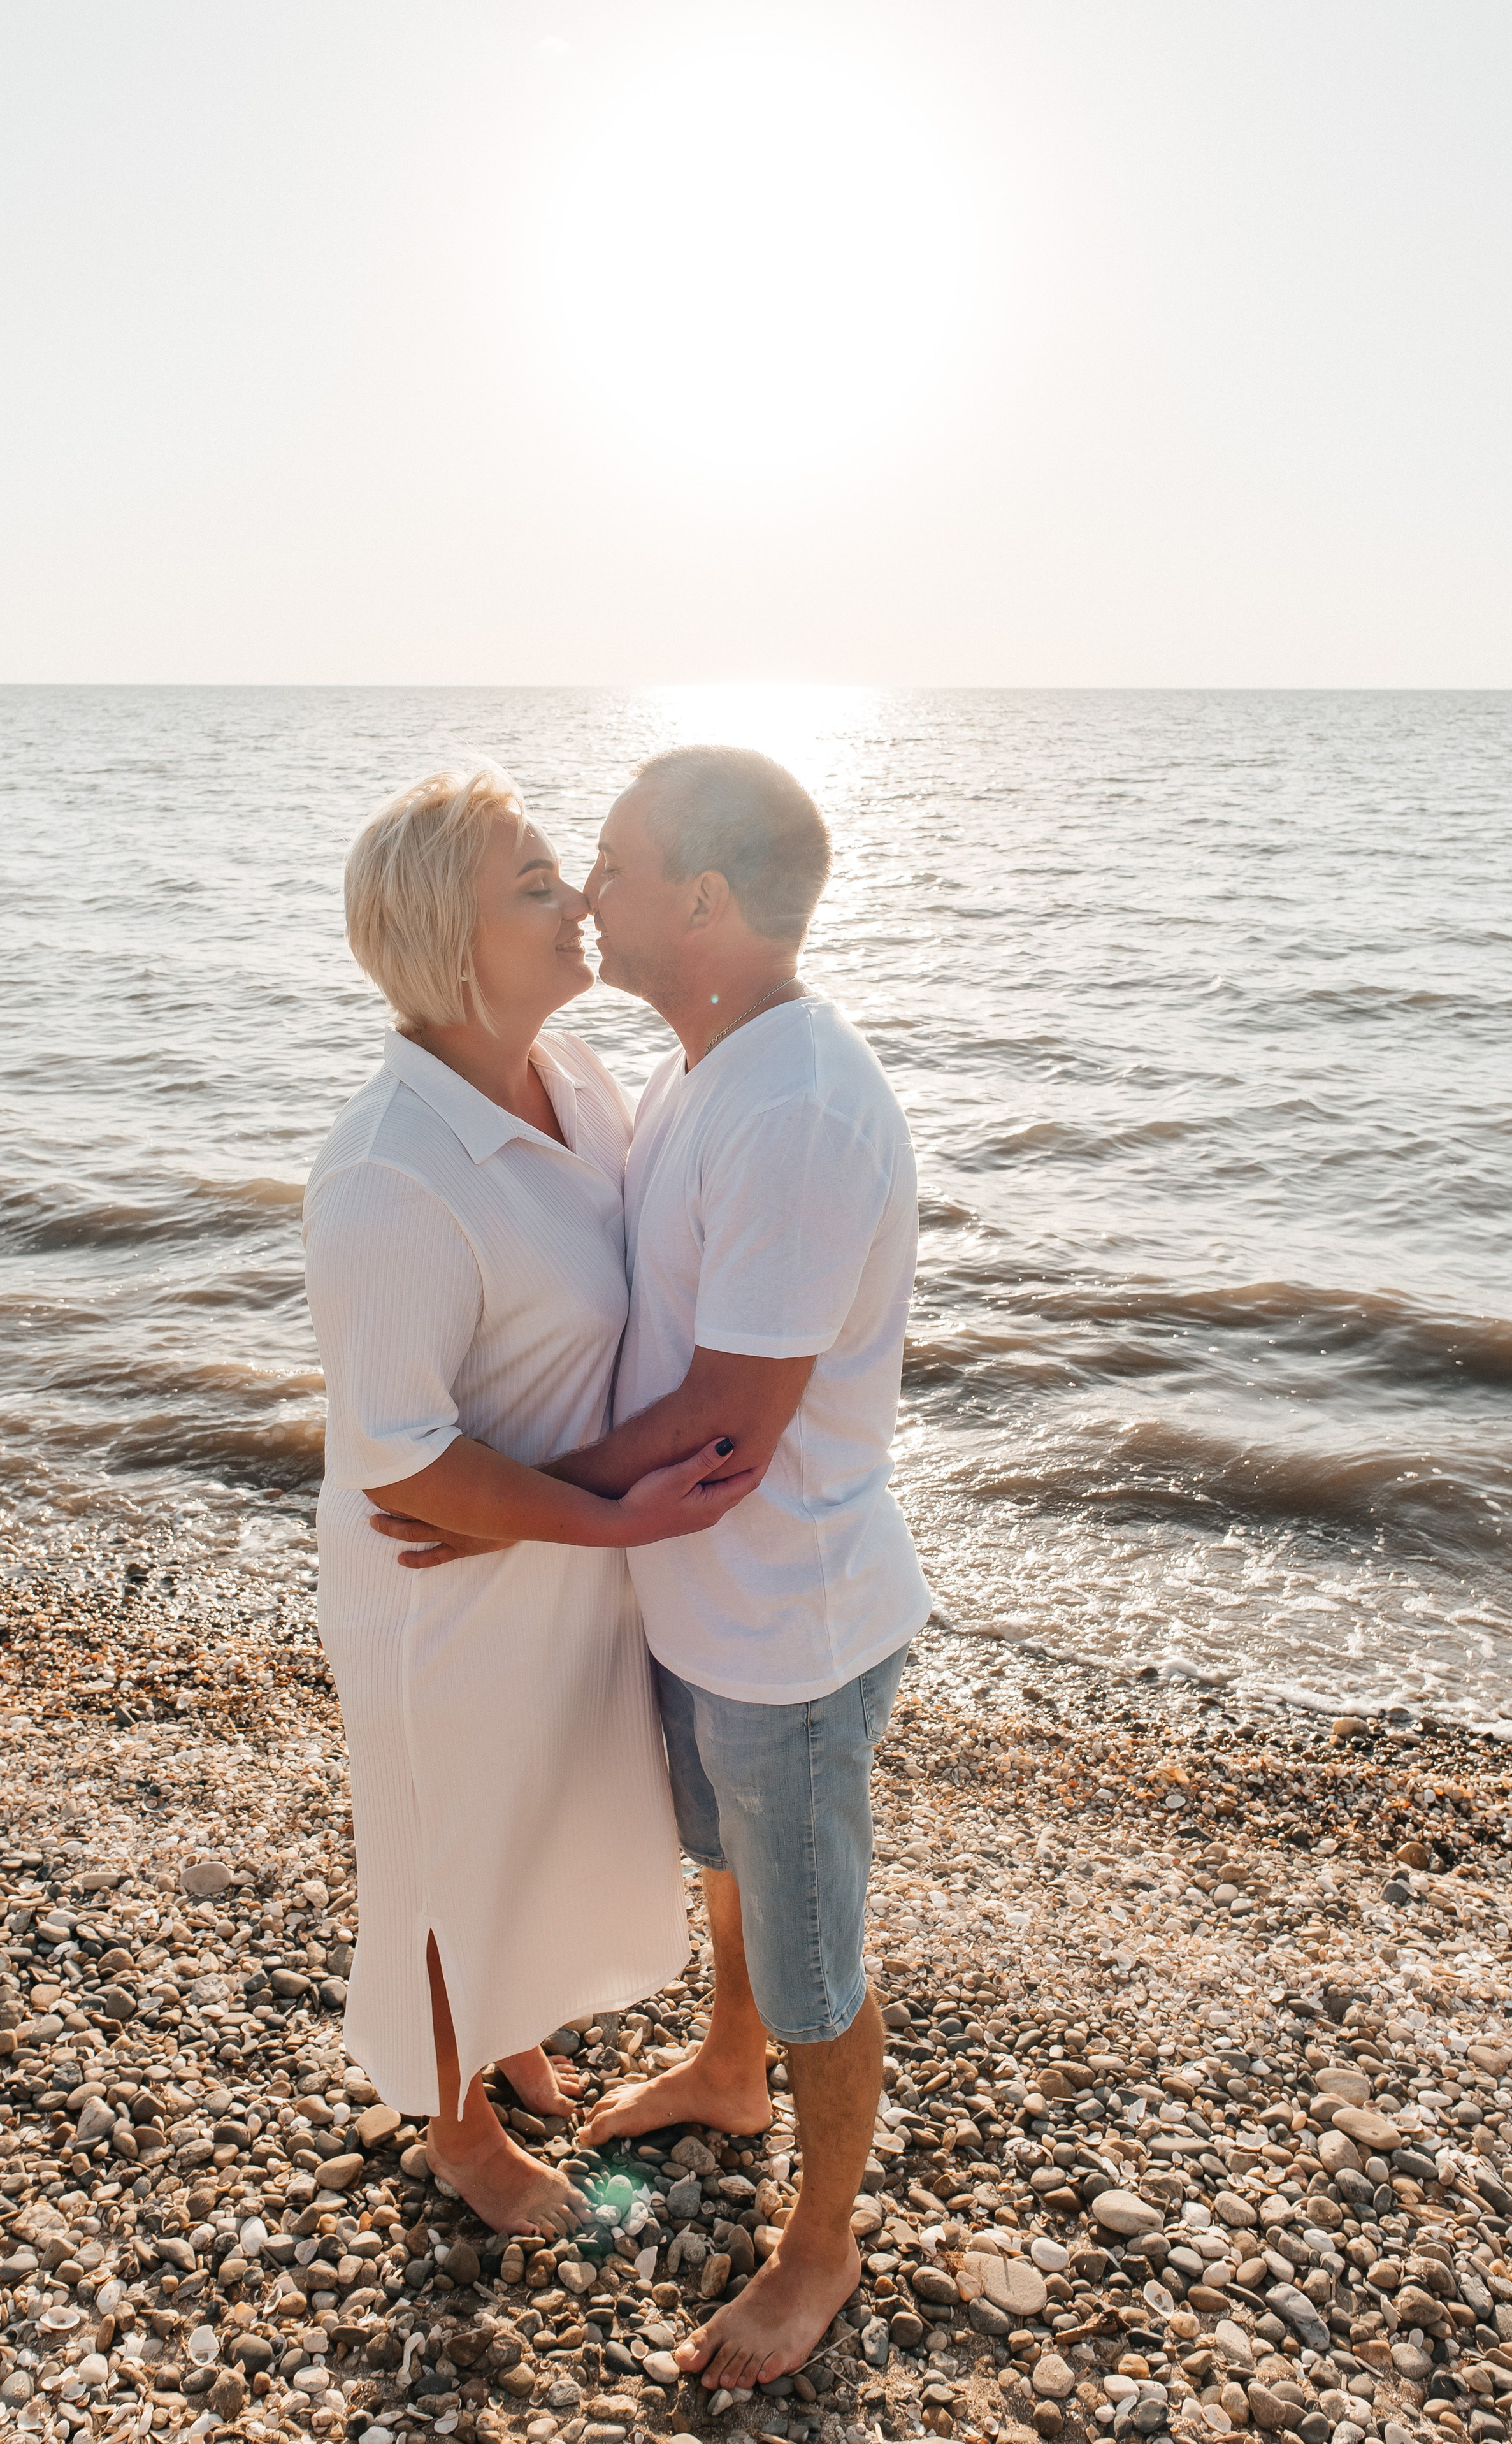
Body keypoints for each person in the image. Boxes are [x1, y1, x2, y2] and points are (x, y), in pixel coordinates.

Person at [372, 745, 931, 2383]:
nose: (585, 893)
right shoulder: (701, 1066)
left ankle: (817, 2248)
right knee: (727, 1864)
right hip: (697, 1598)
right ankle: (728, 2069)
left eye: (608, 865)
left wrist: (503, 1498)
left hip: (786, 1621)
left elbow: (729, 1419)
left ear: (699, 900)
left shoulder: (796, 1108)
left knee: (815, 1954)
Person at [302, 762, 763, 2238]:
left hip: (562, 1548)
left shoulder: (571, 1078)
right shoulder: (389, 1174)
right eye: (535, 886)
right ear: (452, 939)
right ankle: (456, 2131)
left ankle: (503, 2033)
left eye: (566, 873)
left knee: (541, 1813)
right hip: (444, 1585)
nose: (577, 902)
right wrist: (619, 1518)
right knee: (450, 1847)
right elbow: (400, 1457)